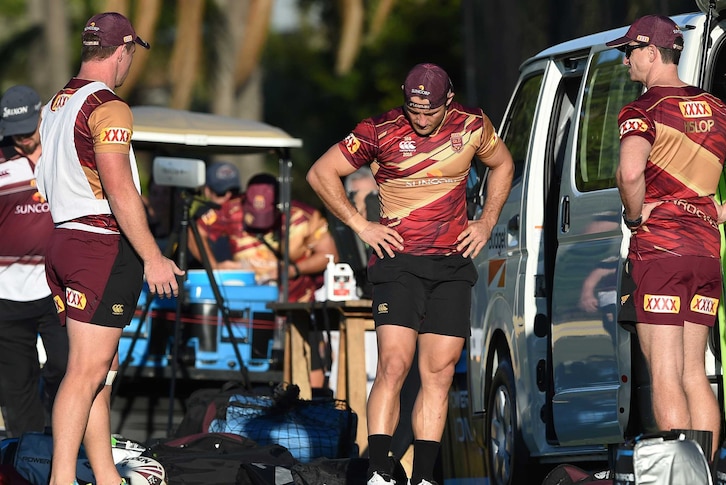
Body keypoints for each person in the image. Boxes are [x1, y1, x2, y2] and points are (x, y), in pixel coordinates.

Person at [306, 62, 514, 485]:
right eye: (413, 110)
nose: (420, 120)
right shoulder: (378, 130)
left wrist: (487, 221)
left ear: (447, 102)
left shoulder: (473, 126)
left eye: (429, 112)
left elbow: (504, 165)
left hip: (452, 264)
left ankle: (422, 477)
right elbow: (320, 172)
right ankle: (380, 471)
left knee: (438, 373)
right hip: (398, 262)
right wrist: (361, 225)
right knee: (394, 364)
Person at [607, 15, 726, 459]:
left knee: (664, 371)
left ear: (651, 53)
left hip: (660, 250)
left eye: (629, 52)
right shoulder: (719, 109)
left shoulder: (640, 111)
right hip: (705, 251)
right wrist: (721, 211)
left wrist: (632, 217)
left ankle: (679, 472)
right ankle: (703, 468)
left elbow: (629, 173)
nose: (626, 61)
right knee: (693, 373)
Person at [35, 12, 182, 485]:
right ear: (123, 52)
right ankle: (62, 479)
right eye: (131, 54)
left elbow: (43, 181)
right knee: (86, 372)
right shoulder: (109, 106)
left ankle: (106, 475)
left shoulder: (55, 103)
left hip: (62, 240)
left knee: (101, 371)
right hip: (98, 243)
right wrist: (154, 256)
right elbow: (120, 190)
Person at [192, 168, 339, 387]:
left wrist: (293, 270)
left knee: (310, 355)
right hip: (250, 307)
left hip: (295, 302)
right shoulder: (230, 210)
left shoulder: (305, 217)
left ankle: (310, 403)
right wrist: (214, 266)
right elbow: (196, 229)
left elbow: (330, 256)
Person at [0, 85, 69, 437]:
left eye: (28, 131)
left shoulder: (63, 153)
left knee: (65, 366)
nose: (23, 141)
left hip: (56, 287)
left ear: (41, 116)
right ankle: (23, 457)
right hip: (6, 296)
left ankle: (61, 441)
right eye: (14, 135)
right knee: (17, 382)